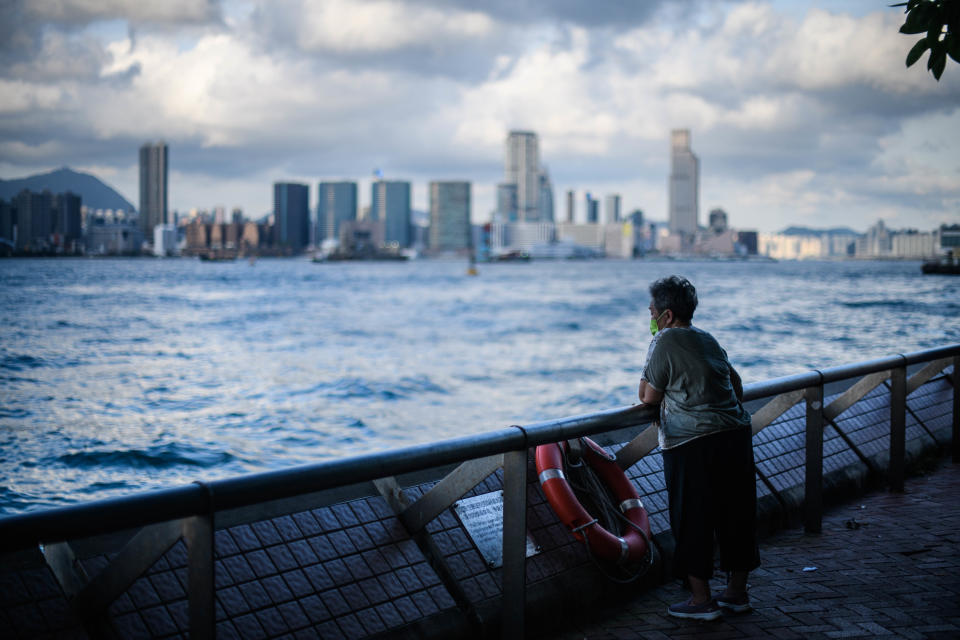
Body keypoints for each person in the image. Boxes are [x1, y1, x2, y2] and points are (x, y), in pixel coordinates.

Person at [638, 275, 760, 621]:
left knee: (692, 517)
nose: (649, 316)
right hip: (734, 434)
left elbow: (648, 395)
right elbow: (735, 382)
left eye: (651, 311)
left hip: (692, 443)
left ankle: (700, 600)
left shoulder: (664, 340)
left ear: (667, 315)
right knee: (736, 515)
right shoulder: (707, 339)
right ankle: (736, 593)